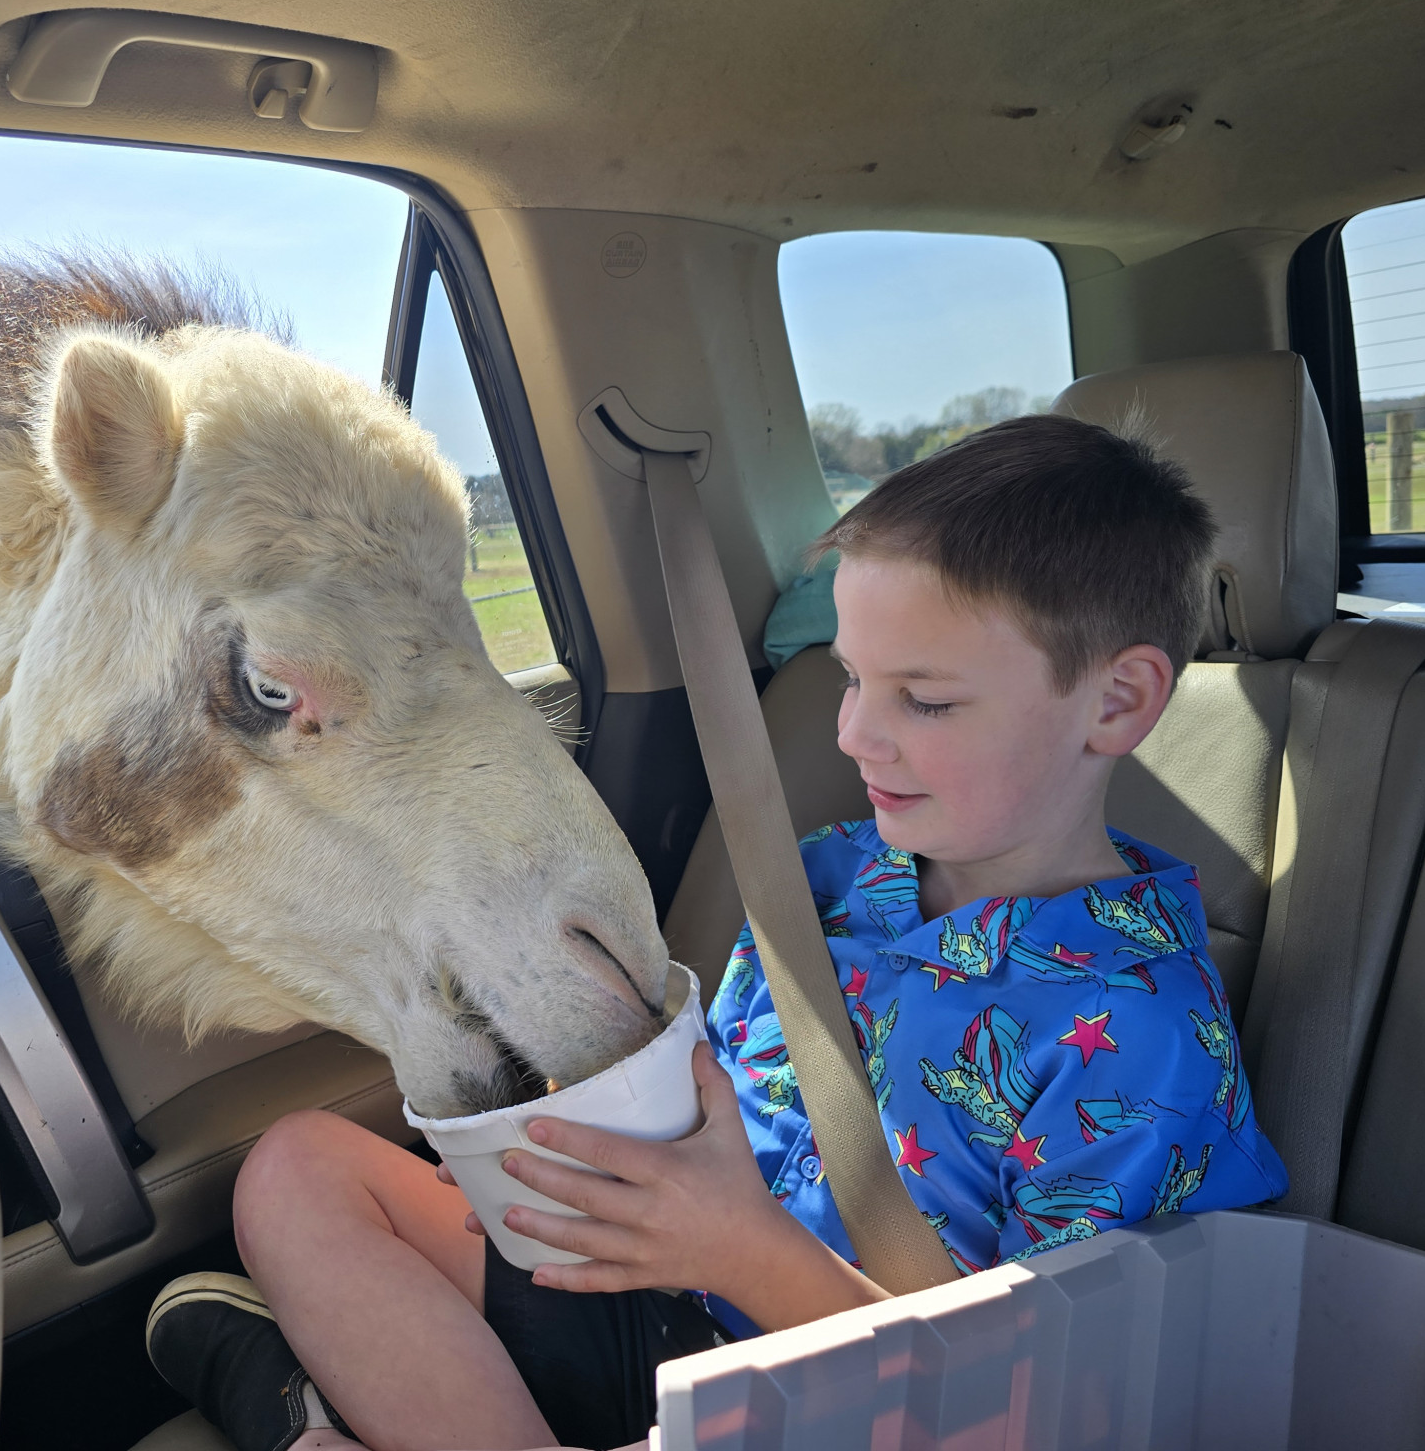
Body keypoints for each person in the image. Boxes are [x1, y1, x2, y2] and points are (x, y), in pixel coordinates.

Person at [144, 415, 1289, 1451]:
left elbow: (1047, 1413)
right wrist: (585, 1157)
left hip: (853, 1400)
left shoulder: (1142, 1042)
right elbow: (712, 1101)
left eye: (924, 700)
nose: (854, 735)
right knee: (293, 1170)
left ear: (1116, 702)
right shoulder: (822, 878)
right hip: (659, 1295)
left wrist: (737, 1248)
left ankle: (298, 1415)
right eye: (848, 680)